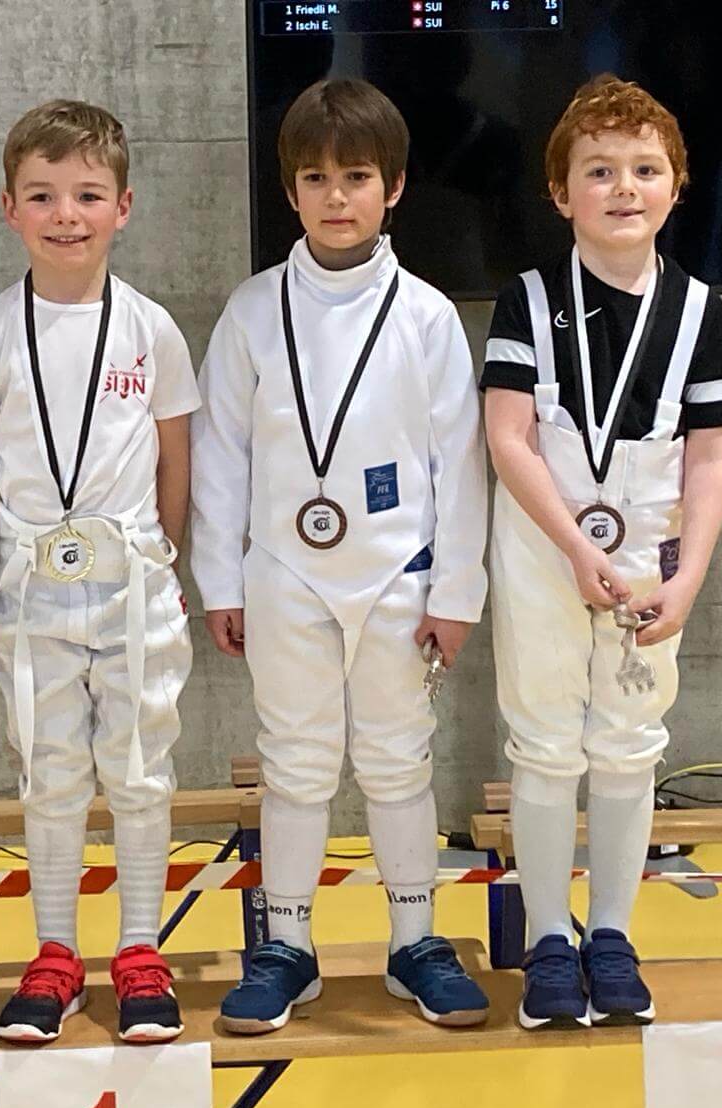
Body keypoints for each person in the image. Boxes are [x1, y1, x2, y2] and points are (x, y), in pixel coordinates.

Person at [193, 79, 490, 1035]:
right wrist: (220, 581)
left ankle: (415, 943)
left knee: (399, 760)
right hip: (285, 572)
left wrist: (456, 591)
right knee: (295, 763)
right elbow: (220, 456)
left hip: (399, 574)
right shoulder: (250, 312)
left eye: (356, 177)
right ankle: (287, 947)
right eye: (316, 179)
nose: (336, 197)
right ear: (290, 191)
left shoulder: (427, 317)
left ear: (393, 187)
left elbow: (460, 463)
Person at [480, 74, 722, 1028]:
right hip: (545, 545)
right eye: (598, 170)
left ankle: (615, 935)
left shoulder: (700, 309)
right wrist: (570, 546)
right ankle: (551, 937)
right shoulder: (527, 299)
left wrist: (691, 577)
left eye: (644, 169)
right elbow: (508, 436)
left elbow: (711, 454)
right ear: (561, 193)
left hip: (650, 551)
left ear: (676, 187)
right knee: (545, 745)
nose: (623, 187)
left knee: (630, 744)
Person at [0, 100, 200, 1045]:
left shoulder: (151, 328)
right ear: (7, 207)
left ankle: (140, 949)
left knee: (138, 772)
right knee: (50, 774)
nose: (67, 215)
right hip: (30, 591)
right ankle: (54, 953)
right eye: (43, 195)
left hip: (133, 587)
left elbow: (174, 460)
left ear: (123, 206)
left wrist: (162, 563)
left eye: (89, 195)